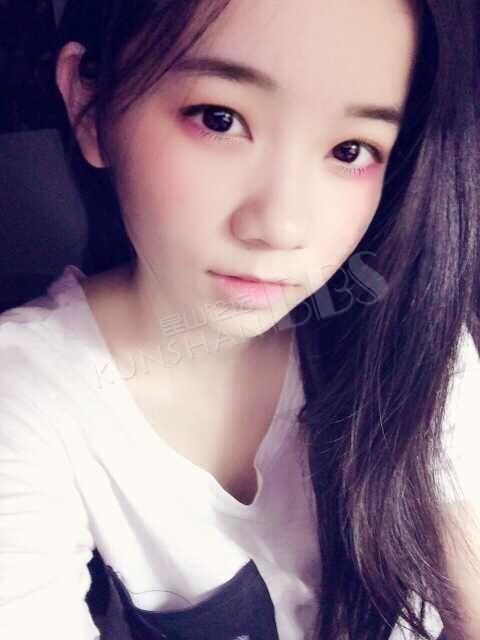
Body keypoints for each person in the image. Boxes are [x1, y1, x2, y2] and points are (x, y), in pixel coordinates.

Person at [0, 0, 479, 638]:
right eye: (219, 118)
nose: (281, 225)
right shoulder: (25, 394)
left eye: (349, 149)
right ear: (90, 105)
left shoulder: (409, 340)